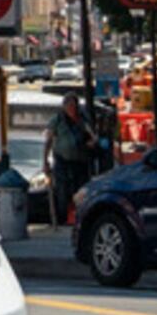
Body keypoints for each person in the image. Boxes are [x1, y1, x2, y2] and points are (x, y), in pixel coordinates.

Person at [46, 89, 112, 227]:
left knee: (81, 191)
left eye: (73, 105)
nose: (71, 108)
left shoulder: (83, 120)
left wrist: (92, 143)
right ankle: (63, 218)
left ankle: (79, 217)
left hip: (80, 161)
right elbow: (49, 140)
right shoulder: (57, 120)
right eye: (68, 105)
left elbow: (93, 138)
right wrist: (45, 160)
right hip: (62, 161)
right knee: (63, 191)